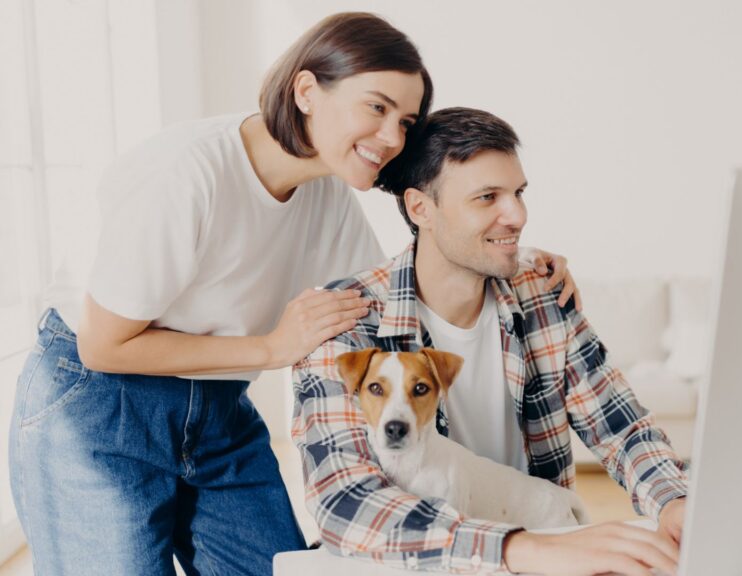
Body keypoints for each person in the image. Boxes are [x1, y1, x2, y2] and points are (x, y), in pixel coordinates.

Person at [9, 14, 576, 576]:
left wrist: (513, 262)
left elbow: (389, 299)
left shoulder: (327, 197)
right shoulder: (185, 174)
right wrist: (271, 348)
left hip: (217, 406)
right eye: (376, 107)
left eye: (405, 122)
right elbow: (103, 347)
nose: (392, 138)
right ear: (306, 91)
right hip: (98, 403)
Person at [292, 107, 688, 576]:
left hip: (544, 547)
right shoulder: (345, 317)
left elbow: (620, 427)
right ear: (421, 209)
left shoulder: (542, 291)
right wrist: (520, 549)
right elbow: (346, 502)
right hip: (420, 565)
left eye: (518, 193)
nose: (517, 215)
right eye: (487, 198)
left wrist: (674, 501)